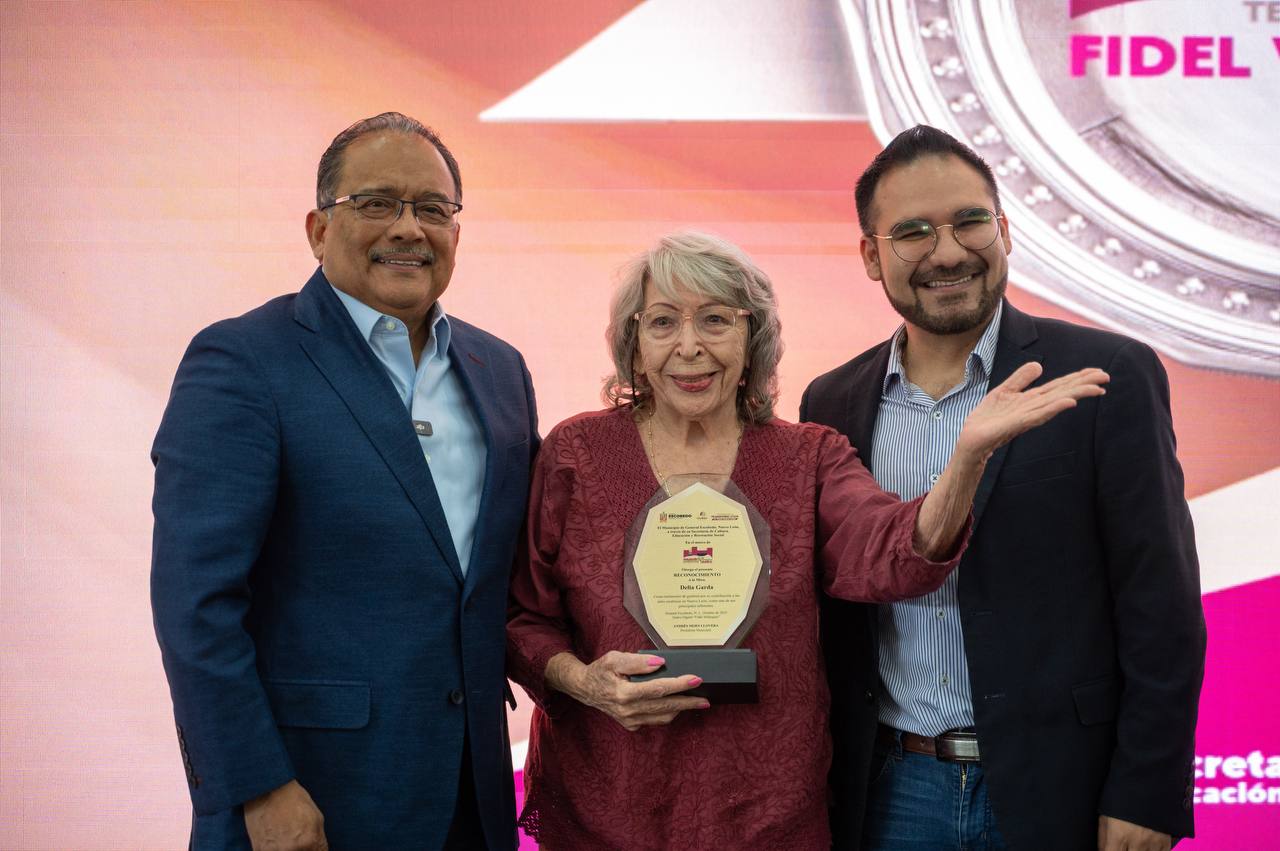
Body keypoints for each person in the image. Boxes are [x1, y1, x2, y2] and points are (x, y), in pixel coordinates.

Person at [506, 230, 1107, 849]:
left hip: (769, 817)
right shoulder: (577, 453)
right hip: (610, 807)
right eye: (662, 322)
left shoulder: (806, 458)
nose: (689, 347)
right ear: (634, 345)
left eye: (716, 319)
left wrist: (966, 461)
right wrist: (583, 683)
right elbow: (526, 616)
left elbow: (892, 553)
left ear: (753, 339)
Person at [801, 125, 1206, 851]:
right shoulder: (831, 402)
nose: (948, 251)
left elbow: (1161, 603)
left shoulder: (1105, 374)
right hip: (891, 795)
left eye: (969, 221)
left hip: (1062, 788)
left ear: (1006, 230)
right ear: (871, 254)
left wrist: (1149, 789)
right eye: (914, 231)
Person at [151, 113, 538, 850]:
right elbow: (194, 604)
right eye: (376, 202)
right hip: (309, 800)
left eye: (433, 208)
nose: (408, 228)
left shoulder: (501, 372)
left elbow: (509, 580)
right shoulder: (242, 362)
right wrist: (257, 786)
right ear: (317, 228)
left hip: (473, 797)